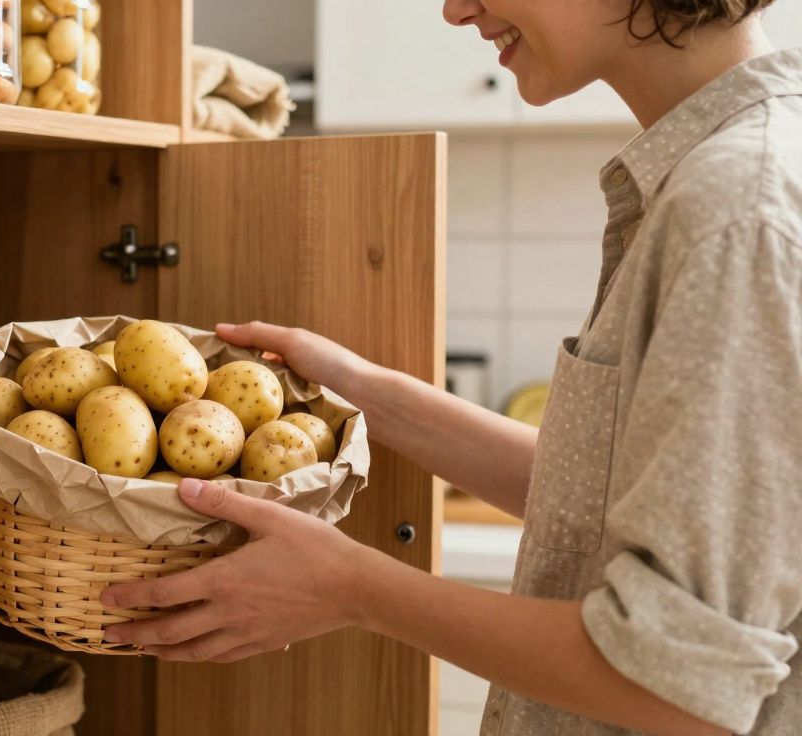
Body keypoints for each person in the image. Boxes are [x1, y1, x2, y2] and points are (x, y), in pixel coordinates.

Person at [100, 1, 802, 734]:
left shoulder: (736, 208)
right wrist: (365, 391)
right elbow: (598, 498)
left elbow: (680, 686)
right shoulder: (724, 176)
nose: (455, 8)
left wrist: (351, 588)